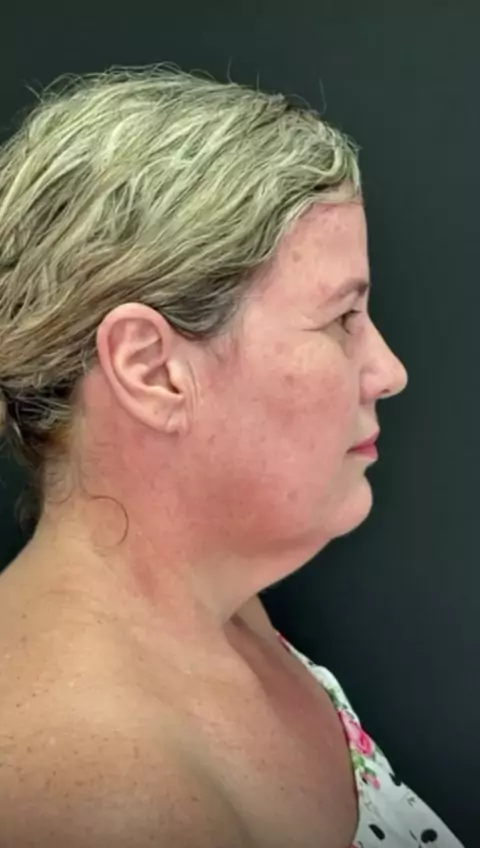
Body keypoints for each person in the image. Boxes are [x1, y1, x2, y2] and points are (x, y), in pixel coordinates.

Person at [0, 66, 462, 848]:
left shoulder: (215, 614)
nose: (388, 370)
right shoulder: (110, 804)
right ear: (151, 369)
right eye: (342, 318)